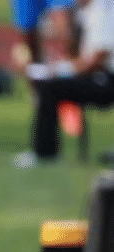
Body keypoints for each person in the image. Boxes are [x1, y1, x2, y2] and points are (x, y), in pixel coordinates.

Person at [23, 0, 114, 163]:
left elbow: (99, 57)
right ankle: (45, 152)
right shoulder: (84, 12)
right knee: (50, 86)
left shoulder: (104, 10)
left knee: (51, 88)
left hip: (106, 80)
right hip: (95, 76)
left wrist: (65, 69)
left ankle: (45, 154)